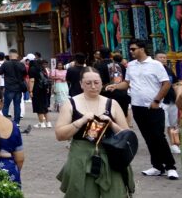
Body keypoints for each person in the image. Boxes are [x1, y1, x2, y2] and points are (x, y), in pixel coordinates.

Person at [55, 67, 134, 197]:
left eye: (96, 82)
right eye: (88, 83)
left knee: (115, 193)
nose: (93, 86)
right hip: (81, 156)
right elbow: (60, 135)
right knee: (82, 193)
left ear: (102, 83)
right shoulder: (70, 103)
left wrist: (111, 123)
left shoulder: (112, 103)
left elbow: (127, 135)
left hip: (110, 155)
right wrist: (80, 122)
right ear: (81, 84)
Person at [105, 38, 177, 179]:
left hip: (154, 107)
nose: (131, 52)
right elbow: (127, 83)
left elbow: (166, 83)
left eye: (133, 49)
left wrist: (156, 100)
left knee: (158, 136)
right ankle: (157, 166)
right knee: (148, 137)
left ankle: (170, 166)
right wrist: (115, 86)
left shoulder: (155, 64)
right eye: (130, 49)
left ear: (142, 49)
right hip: (137, 106)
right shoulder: (131, 65)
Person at [0, 49, 27, 129]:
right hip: (18, 88)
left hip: (9, 87)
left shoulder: (6, 64)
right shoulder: (21, 64)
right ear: (17, 55)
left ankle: (3, 121)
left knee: (6, 105)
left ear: (9, 56)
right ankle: (17, 122)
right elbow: (25, 74)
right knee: (17, 105)